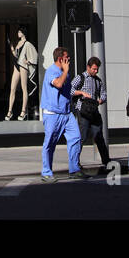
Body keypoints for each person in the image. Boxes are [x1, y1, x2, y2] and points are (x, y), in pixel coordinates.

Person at [39, 46, 85, 182]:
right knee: (50, 143)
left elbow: (68, 90)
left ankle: (74, 169)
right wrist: (65, 71)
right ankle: (46, 172)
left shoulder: (66, 73)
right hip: (52, 114)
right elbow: (58, 84)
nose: (69, 60)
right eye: (67, 58)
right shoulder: (51, 71)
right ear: (61, 59)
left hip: (66, 113)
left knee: (76, 138)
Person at [71, 56, 111, 175]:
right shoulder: (80, 77)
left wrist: (100, 100)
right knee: (81, 137)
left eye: (97, 69)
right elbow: (70, 89)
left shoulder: (98, 80)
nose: (96, 71)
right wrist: (82, 92)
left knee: (99, 136)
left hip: (94, 110)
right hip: (82, 111)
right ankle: (75, 163)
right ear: (88, 67)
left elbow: (104, 94)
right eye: (93, 69)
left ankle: (107, 162)